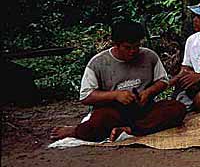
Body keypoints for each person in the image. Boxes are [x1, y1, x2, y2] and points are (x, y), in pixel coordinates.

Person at [50, 21, 186, 142]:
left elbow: (163, 81)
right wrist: (115, 95)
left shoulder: (149, 56)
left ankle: (129, 130)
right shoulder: (98, 62)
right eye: (127, 47)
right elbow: (85, 96)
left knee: (177, 109)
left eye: (137, 46)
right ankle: (76, 131)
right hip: (113, 111)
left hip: (144, 108)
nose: (133, 51)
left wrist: (148, 92)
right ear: (116, 44)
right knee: (99, 121)